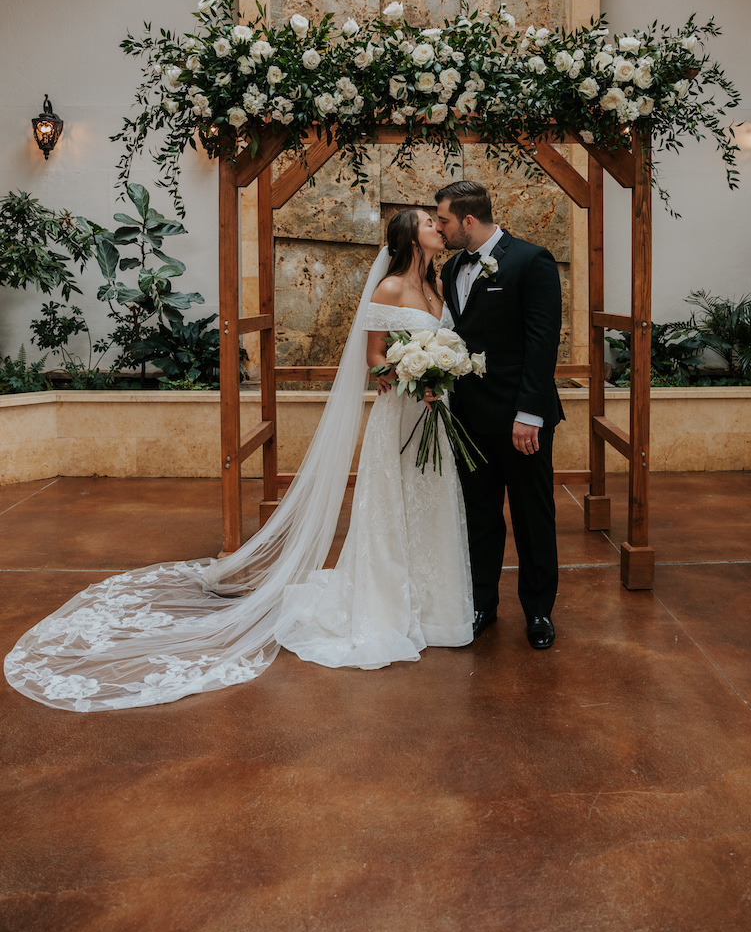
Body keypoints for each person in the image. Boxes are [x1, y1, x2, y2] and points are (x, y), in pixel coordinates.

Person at [4, 208, 473, 711]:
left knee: (432, 501)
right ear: (410, 237)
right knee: (391, 507)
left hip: (431, 414)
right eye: (429, 222)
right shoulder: (388, 289)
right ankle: (387, 603)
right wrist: (414, 375)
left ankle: (435, 607)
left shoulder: (441, 287)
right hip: (399, 413)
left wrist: (440, 375)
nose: (438, 228)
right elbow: (373, 357)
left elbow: (444, 342)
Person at [435, 180, 563, 650]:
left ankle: (538, 612)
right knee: (479, 514)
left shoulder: (532, 260)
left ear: (468, 220)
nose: (440, 228)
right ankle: (481, 604)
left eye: (444, 220)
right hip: (469, 417)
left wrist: (530, 413)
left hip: (519, 419)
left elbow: (542, 342)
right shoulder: (451, 269)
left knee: (532, 515)